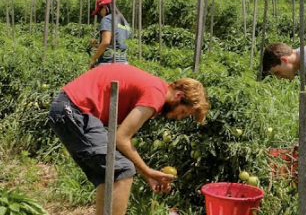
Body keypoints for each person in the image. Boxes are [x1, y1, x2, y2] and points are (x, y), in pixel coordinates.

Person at [47, 65, 209, 215]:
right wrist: (148, 172)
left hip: (76, 109)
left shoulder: (154, 87)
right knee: (122, 170)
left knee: (111, 172)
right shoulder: (156, 94)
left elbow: (120, 139)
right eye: (182, 112)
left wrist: (148, 176)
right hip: (73, 110)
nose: (178, 118)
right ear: (179, 95)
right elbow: (121, 138)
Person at [87, 0, 131, 68]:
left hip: (108, 63)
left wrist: (93, 59)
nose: (100, 14)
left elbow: (106, 42)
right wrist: (98, 45)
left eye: (99, 11)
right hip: (124, 63)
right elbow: (118, 45)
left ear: (104, 7)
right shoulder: (124, 21)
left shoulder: (107, 19)